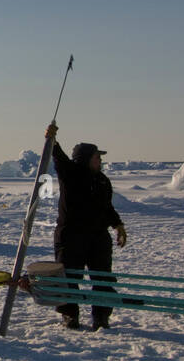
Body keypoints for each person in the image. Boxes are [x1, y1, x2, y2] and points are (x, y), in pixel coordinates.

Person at [45, 122, 127, 330]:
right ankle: (69, 315)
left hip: (98, 237)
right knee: (69, 278)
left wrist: (118, 225)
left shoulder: (102, 181)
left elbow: (107, 207)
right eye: (97, 157)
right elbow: (58, 156)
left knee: (103, 278)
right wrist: (52, 139)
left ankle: (101, 317)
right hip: (71, 237)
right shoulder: (70, 173)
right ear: (86, 158)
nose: (100, 161)